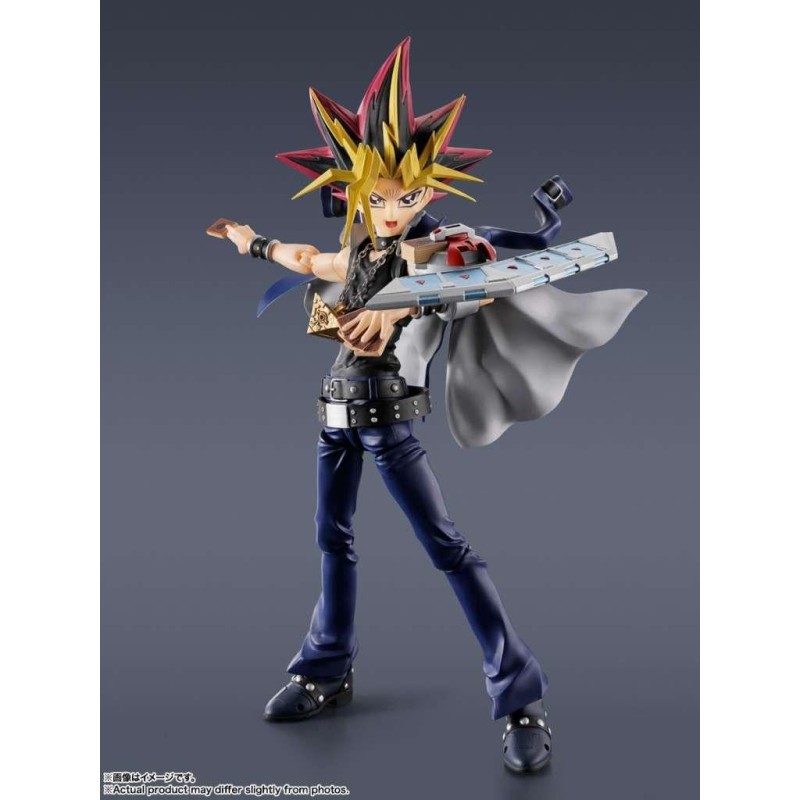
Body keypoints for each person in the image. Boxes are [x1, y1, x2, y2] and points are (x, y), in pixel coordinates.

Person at [216, 37, 644, 774]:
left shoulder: (432, 253)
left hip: (388, 419)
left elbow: (465, 276)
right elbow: (304, 258)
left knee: (448, 549)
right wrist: (252, 242)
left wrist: (409, 301)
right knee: (331, 539)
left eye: (406, 197)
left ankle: (520, 697)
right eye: (378, 197)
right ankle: (325, 668)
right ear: (354, 192)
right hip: (334, 417)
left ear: (427, 194)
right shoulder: (356, 254)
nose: (391, 210)